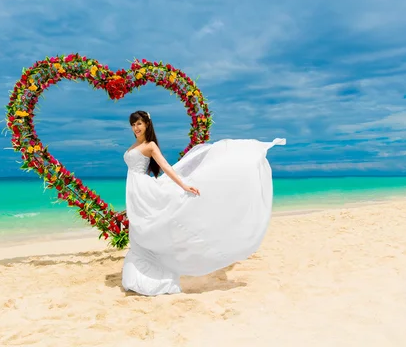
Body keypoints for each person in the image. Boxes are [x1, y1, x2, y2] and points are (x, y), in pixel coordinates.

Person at [121, 110, 285, 296]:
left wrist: (183, 185)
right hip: (137, 191)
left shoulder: (149, 145)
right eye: (133, 124)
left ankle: (153, 273)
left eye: (139, 124)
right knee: (138, 229)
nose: (136, 128)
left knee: (150, 226)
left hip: (143, 188)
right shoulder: (135, 145)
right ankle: (137, 274)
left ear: (147, 125)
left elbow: (165, 166)